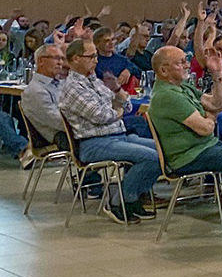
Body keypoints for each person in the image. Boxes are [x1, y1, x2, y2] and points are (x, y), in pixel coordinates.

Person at [148, 45, 222, 233]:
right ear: (163, 70)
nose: (187, 65)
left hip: (206, 148)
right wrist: (212, 115)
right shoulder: (166, 96)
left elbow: (217, 103)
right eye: (180, 63)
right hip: (189, 157)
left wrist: (217, 73)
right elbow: (206, 128)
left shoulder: (181, 87)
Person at [58, 39, 159, 223]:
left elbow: (127, 106)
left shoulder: (94, 81)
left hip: (117, 136)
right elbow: (100, 116)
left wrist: (118, 91)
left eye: (96, 56)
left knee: (162, 151)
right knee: (150, 157)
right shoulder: (72, 88)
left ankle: (126, 195)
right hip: (94, 143)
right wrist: (117, 110)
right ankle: (120, 201)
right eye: (91, 56)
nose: (96, 61)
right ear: (75, 59)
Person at [22, 44, 68, 148]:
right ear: (41, 61)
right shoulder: (35, 91)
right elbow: (59, 122)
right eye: (56, 58)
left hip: (76, 132)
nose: (60, 63)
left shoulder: (59, 84)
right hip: (64, 139)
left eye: (62, 58)